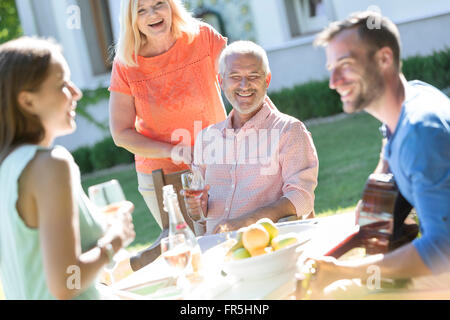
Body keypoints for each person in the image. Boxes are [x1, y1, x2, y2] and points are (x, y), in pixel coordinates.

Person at [308, 11, 450, 298]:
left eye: (345, 65)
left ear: (384, 59)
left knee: (334, 293)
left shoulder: (421, 132)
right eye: (331, 68)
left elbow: (442, 251)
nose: (333, 81)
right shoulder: (412, 97)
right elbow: (389, 140)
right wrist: (376, 191)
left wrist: (347, 272)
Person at [0, 37, 135, 300]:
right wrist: (115, 239)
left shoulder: (7, 168)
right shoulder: (51, 164)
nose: (76, 92)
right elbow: (66, 283)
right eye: (62, 84)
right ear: (27, 102)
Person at [108, 0, 227, 230]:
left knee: (233, 236)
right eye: (141, 10)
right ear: (131, 19)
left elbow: (240, 86)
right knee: (190, 252)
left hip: (218, 161)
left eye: (159, 4)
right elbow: (121, 133)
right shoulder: (126, 64)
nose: (152, 14)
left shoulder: (202, 37)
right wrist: (172, 151)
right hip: (163, 179)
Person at [187, 41, 319, 234]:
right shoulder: (206, 138)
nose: (244, 85)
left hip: (265, 245)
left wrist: (247, 221)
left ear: (267, 80)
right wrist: (197, 207)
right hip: (213, 248)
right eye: (234, 76)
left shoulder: (289, 130)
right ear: (221, 81)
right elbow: (199, 212)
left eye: (253, 76)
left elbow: (301, 197)